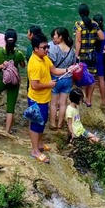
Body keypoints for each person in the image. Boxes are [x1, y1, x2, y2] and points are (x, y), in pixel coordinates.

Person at [27, 34, 64, 163]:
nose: (47, 49)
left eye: (47, 47)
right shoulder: (34, 63)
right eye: (44, 47)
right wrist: (49, 84)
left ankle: (40, 144)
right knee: (35, 125)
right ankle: (34, 150)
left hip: (44, 99)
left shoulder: (44, 58)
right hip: (36, 99)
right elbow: (34, 85)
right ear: (36, 48)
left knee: (42, 122)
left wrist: (67, 69)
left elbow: (53, 70)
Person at [0, 29, 28, 134]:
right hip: (14, 82)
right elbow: (22, 66)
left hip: (1, 80)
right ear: (15, 40)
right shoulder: (19, 53)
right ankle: (7, 130)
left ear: (5, 39)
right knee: (10, 107)